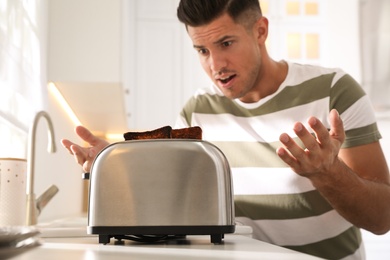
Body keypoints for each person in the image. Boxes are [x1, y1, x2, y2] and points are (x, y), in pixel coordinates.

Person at [61, 0, 390, 259]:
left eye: (226, 43)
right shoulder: (198, 111)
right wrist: (115, 164)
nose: (215, 66)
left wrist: (328, 172)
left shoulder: (334, 91)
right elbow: (171, 198)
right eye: (202, 51)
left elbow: (382, 218)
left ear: (260, 30)